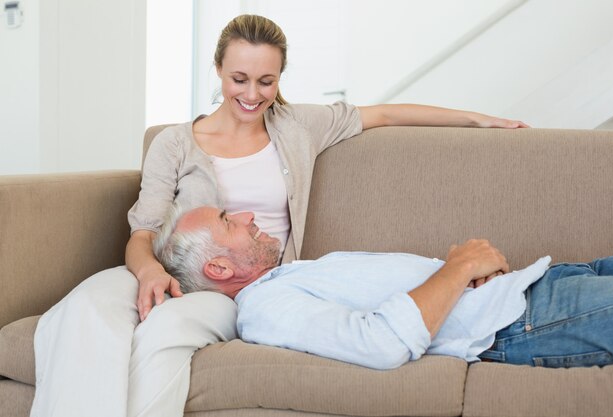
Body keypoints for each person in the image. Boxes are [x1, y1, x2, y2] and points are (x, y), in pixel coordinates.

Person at [30, 14, 530, 417]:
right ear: (219, 71)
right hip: (162, 264)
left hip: (233, 286)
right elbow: (142, 232)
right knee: (77, 312)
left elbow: (385, 113)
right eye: (239, 79)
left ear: (280, 78)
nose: (252, 94)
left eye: (266, 81)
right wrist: (148, 273)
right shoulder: (176, 143)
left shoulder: (297, 127)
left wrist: (477, 117)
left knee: (164, 332)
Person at [155, 205, 613, 370]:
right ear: (217, 269)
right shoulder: (265, 309)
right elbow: (378, 344)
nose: (246, 216)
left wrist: (474, 269)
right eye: (226, 220)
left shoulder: (289, 276)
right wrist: (458, 267)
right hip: (524, 322)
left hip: (541, 283)